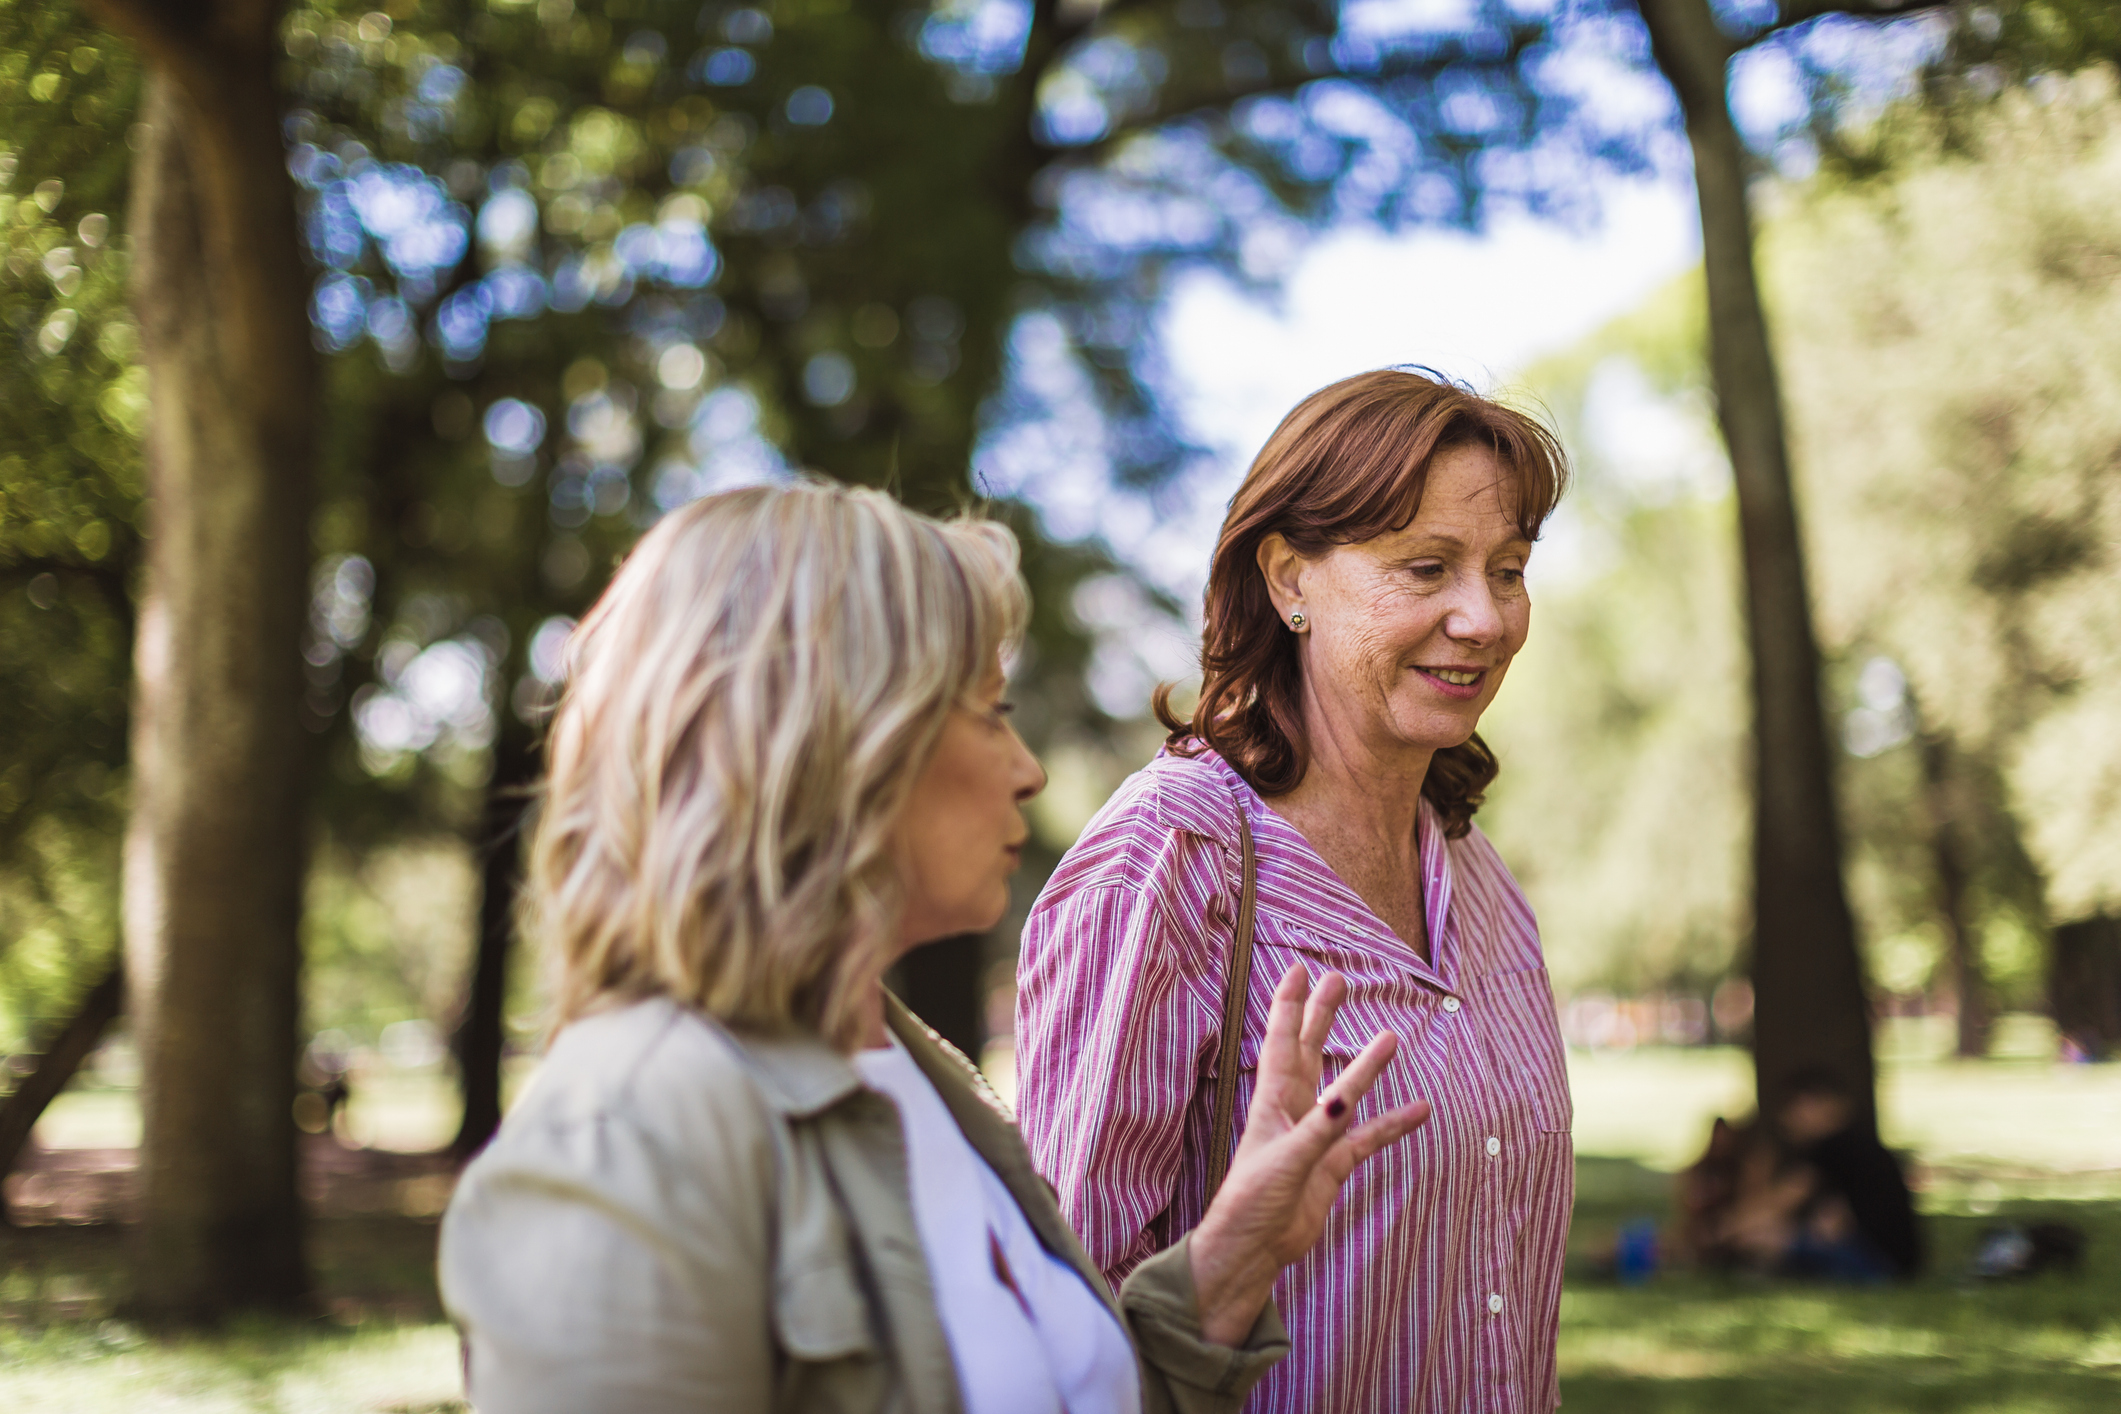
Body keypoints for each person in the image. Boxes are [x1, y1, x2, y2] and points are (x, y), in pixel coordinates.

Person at [438, 481, 1432, 1414]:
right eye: (990, 712)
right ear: (835, 738)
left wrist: (1222, 1270)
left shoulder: (916, 1073)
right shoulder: (625, 1143)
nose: (1030, 770)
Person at [1016, 369, 1575, 1413]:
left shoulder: (1479, 876)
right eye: (1426, 567)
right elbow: (1066, 1317)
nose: (1485, 618)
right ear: (1288, 580)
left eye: (1508, 570)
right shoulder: (1170, 859)